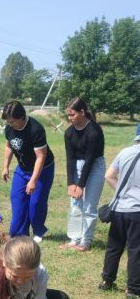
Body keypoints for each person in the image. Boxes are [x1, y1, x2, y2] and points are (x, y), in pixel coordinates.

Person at [2, 100, 55, 243]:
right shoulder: (9, 128)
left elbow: (41, 157)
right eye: (8, 121)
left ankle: (38, 230)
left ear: (22, 117)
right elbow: (9, 146)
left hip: (43, 169)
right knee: (17, 199)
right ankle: (20, 233)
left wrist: (33, 180)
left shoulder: (35, 129)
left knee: (36, 202)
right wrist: (6, 166)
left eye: (12, 121)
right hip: (23, 168)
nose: (9, 124)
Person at [99, 125, 140, 299]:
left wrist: (120, 192)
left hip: (119, 208)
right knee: (136, 249)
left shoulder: (124, 152)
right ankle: (133, 289)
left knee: (114, 247)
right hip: (137, 210)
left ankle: (107, 280)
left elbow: (109, 175)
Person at [62, 96, 105, 251]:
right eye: (68, 115)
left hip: (94, 167)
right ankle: (74, 239)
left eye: (72, 114)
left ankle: (85, 242)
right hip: (77, 167)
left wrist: (81, 185)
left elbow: (90, 160)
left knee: (89, 207)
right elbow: (70, 159)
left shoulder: (94, 131)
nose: (70, 118)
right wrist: (71, 183)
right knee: (75, 205)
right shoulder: (68, 133)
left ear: (82, 112)